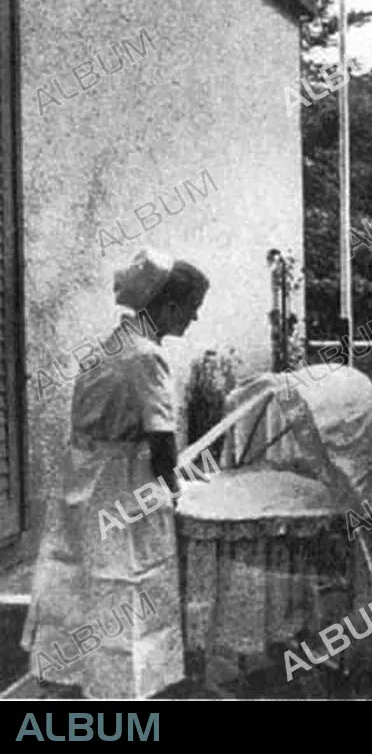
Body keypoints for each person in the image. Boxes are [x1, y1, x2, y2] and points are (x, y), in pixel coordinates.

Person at [22, 248, 209, 700]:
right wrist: (172, 490)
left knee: (81, 577)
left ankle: (76, 675)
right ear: (169, 308)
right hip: (120, 483)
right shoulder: (146, 356)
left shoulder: (110, 344)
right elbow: (161, 437)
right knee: (127, 581)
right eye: (192, 309)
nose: (194, 319)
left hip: (84, 476)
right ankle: (121, 687)